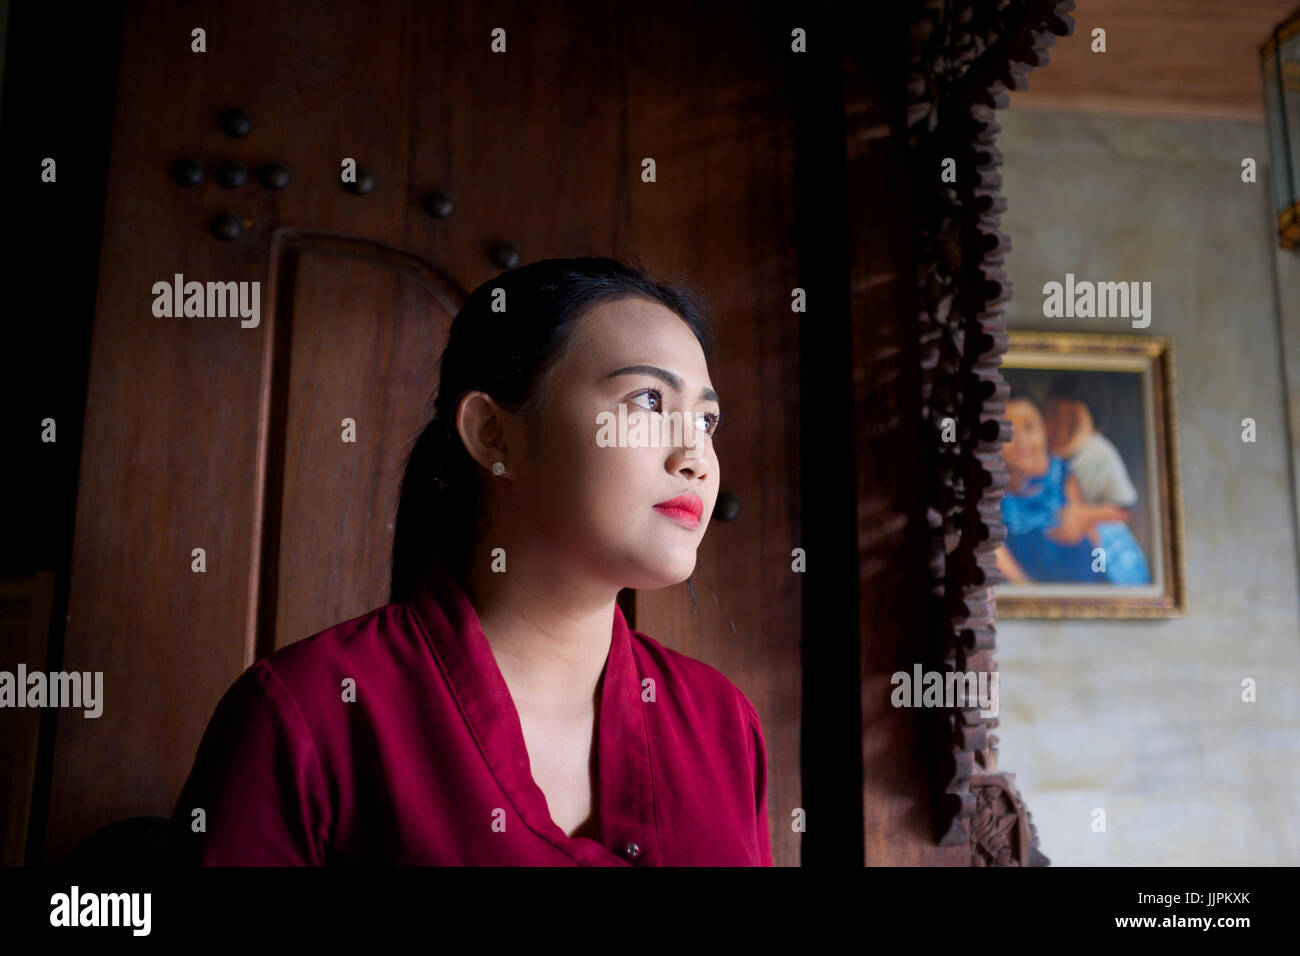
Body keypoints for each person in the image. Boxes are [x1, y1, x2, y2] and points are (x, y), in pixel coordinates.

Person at [171, 256, 772, 866]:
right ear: (493, 433)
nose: (696, 456)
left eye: (707, 418)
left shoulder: (724, 726)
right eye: (648, 399)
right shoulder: (307, 713)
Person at [996, 396, 1137, 584]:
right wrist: (1025, 587)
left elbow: (1088, 530)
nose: (1021, 441)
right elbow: (993, 548)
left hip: (1076, 568)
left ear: (1045, 429)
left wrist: (1101, 572)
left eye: (1029, 428)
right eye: (1007, 433)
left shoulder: (1061, 472)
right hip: (1028, 576)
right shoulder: (993, 488)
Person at [1043, 375, 1151, 584]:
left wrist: (1084, 515)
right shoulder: (1044, 455)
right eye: (1052, 415)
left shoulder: (1101, 455)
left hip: (1101, 536)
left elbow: (1125, 508)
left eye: (1071, 419)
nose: (1058, 427)